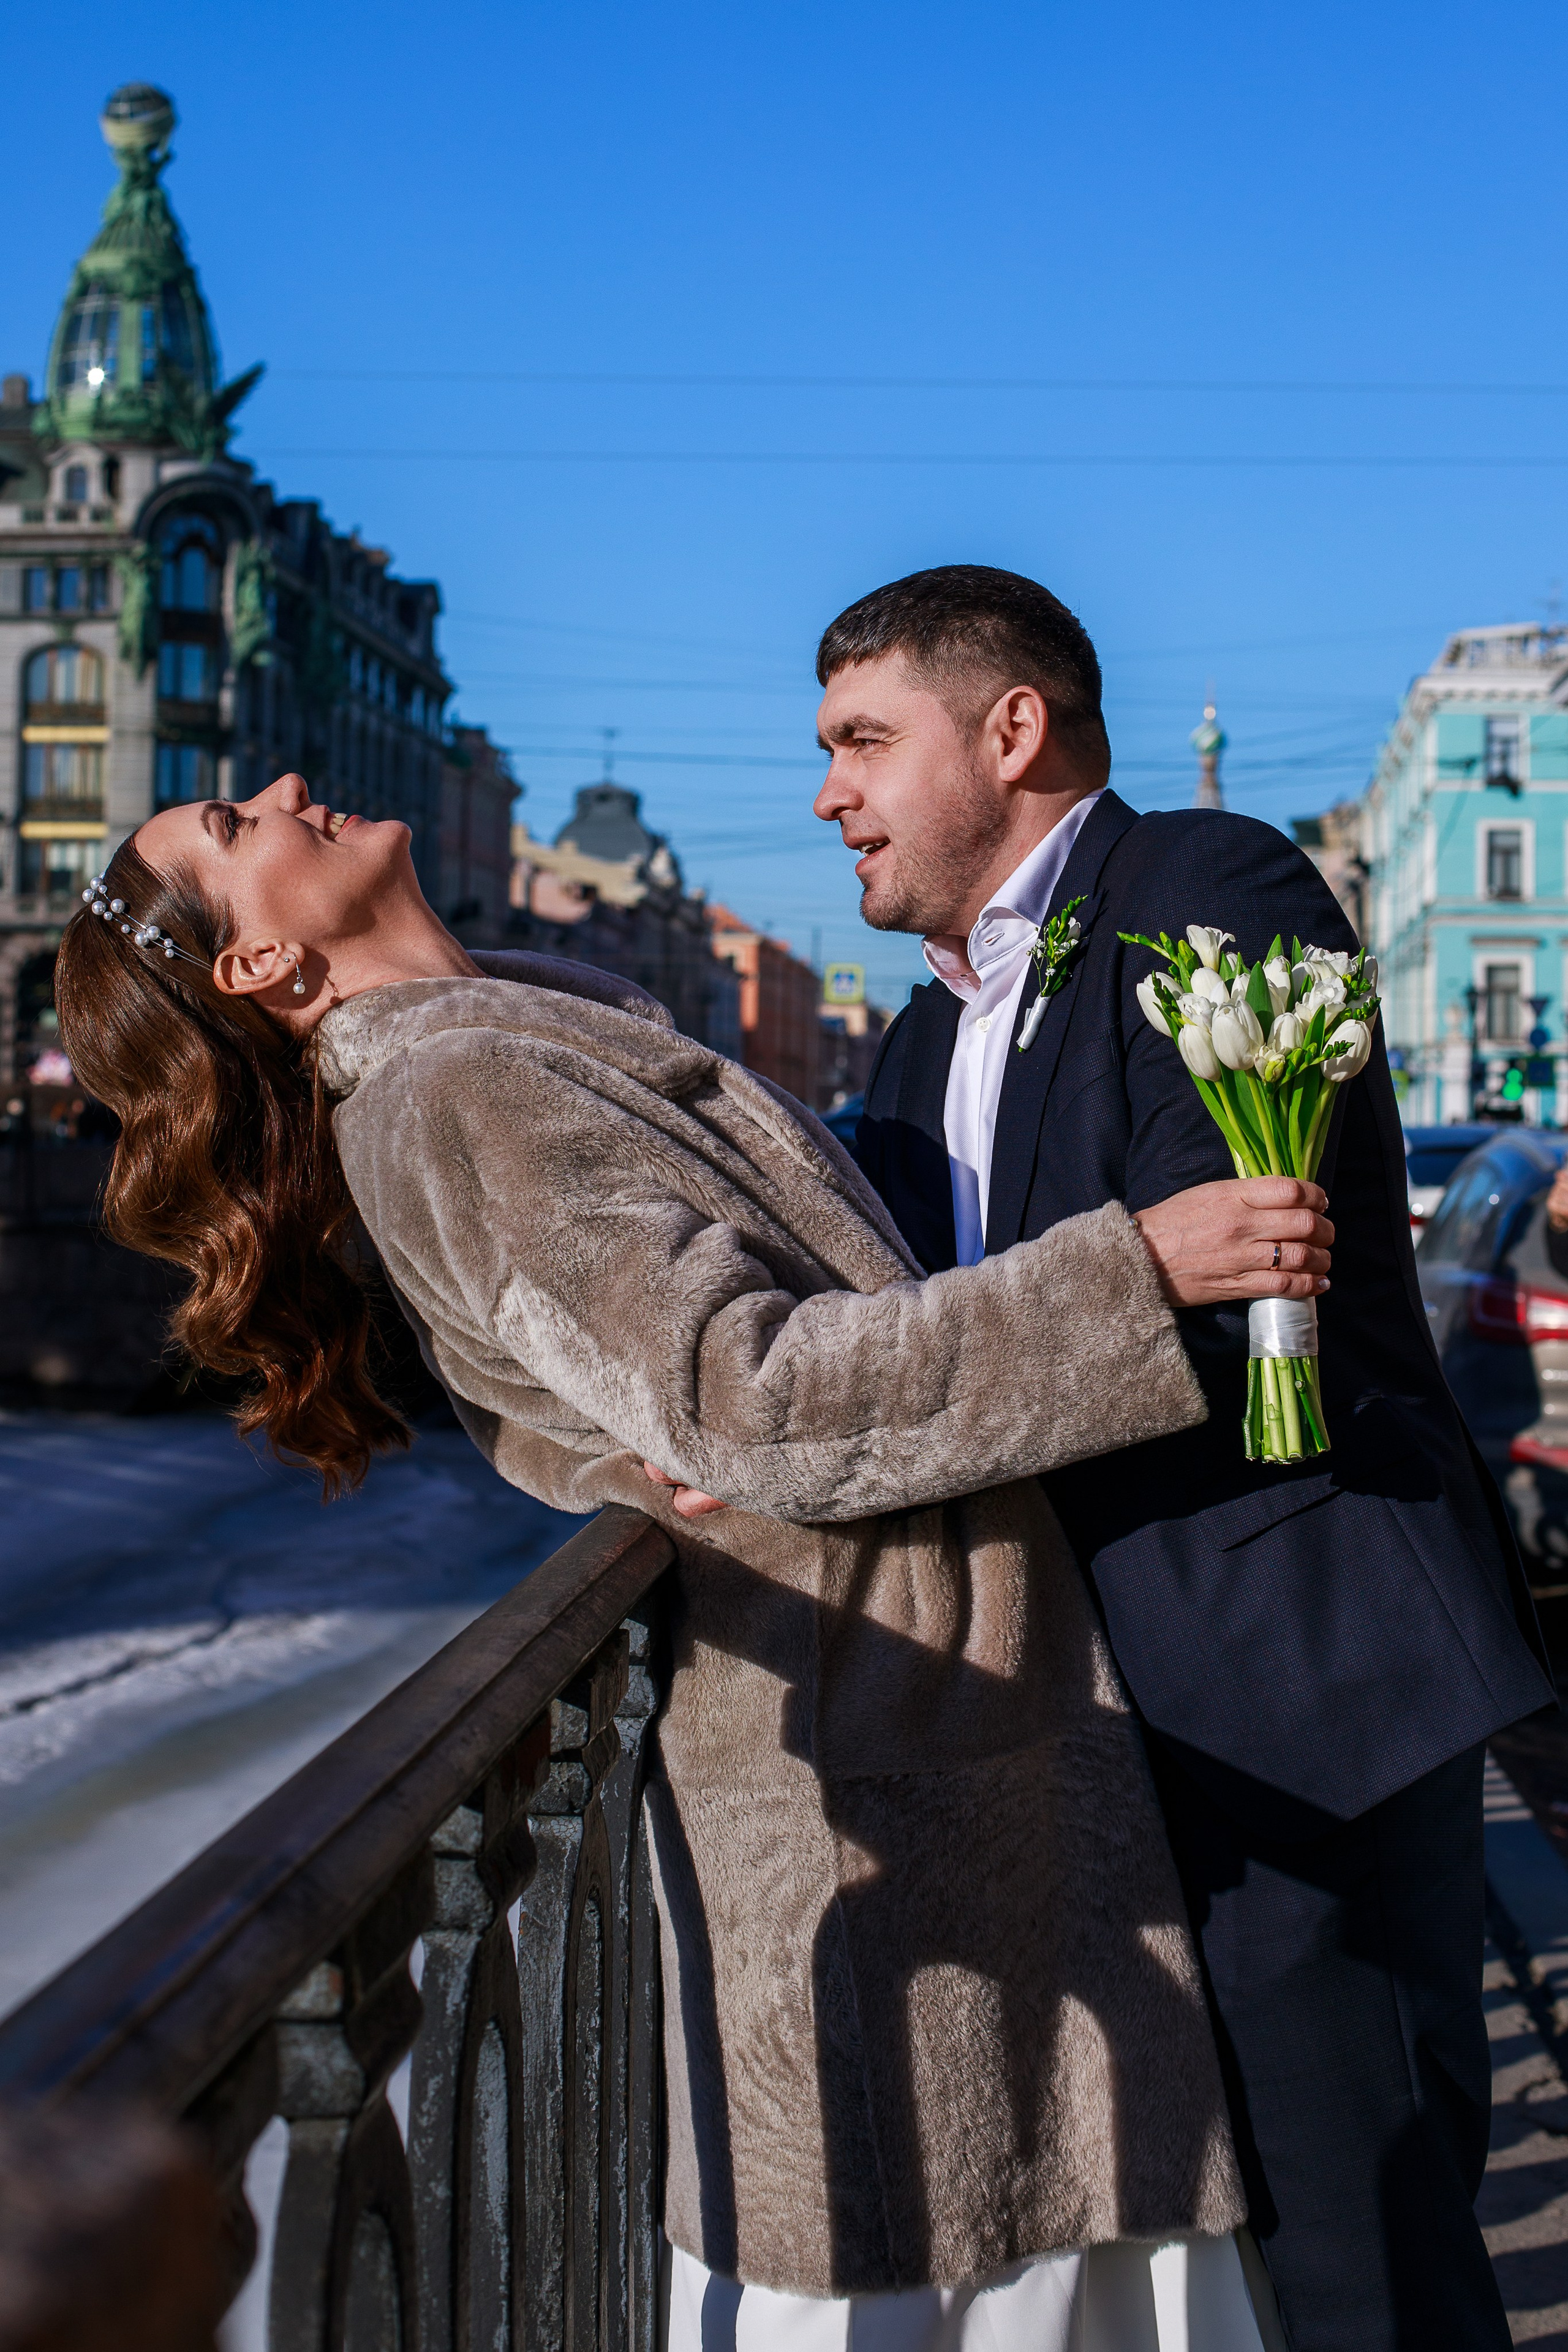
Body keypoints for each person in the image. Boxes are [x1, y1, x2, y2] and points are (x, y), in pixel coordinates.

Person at [51, 775, 1330, 2351]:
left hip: (914, 1713)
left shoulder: (503, 1044)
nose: (286, 793)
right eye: (234, 830)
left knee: (1026, 2252)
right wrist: (1132, 1269)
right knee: (971, 2272)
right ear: (257, 970)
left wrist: (589, 1451)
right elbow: (756, 1400)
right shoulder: (459, 1089)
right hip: (885, 1745)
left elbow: (572, 1392)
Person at [804, 563, 1555, 2350]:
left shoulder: (1209, 885)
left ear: (1013, 728)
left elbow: (1216, 1280)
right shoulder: (918, 1037)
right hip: (1073, 1729)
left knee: (1355, 2238)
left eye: (860, 740)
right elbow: (924, 1348)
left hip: (1284, 1684)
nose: (827, 792)